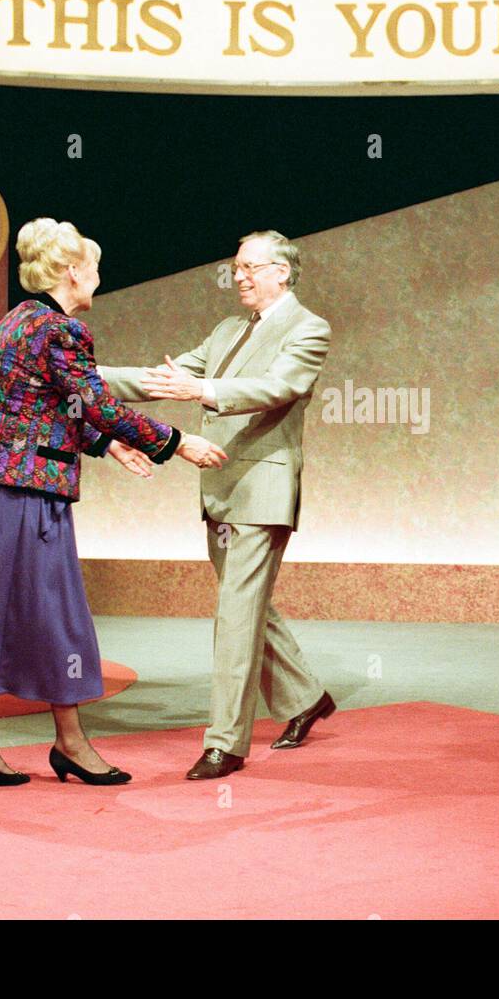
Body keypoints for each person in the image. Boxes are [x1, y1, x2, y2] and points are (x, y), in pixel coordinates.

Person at [0, 218, 227, 789]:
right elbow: (94, 403)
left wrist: (107, 444)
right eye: (95, 267)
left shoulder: (16, 320)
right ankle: (69, 744)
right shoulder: (62, 331)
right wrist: (178, 444)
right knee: (55, 617)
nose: (99, 277)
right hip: (25, 494)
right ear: (74, 271)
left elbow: (43, 408)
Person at [98, 230, 335, 780]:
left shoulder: (308, 328)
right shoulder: (228, 330)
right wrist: (82, 376)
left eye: (252, 267)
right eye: (236, 267)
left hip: (263, 490)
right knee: (245, 606)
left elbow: (278, 386)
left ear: (283, 271)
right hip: (220, 489)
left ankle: (226, 743)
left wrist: (200, 391)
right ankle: (304, 697)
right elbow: (165, 380)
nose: (241, 277)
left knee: (235, 613)